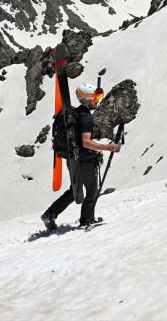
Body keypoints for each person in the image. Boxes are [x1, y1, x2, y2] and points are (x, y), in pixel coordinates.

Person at [41, 83, 120, 230]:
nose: (98, 100)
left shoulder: (74, 114)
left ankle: (50, 213)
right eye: (96, 97)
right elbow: (86, 142)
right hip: (84, 161)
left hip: (72, 157)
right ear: (87, 99)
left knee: (75, 190)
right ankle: (86, 221)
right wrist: (109, 147)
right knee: (92, 191)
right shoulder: (86, 118)